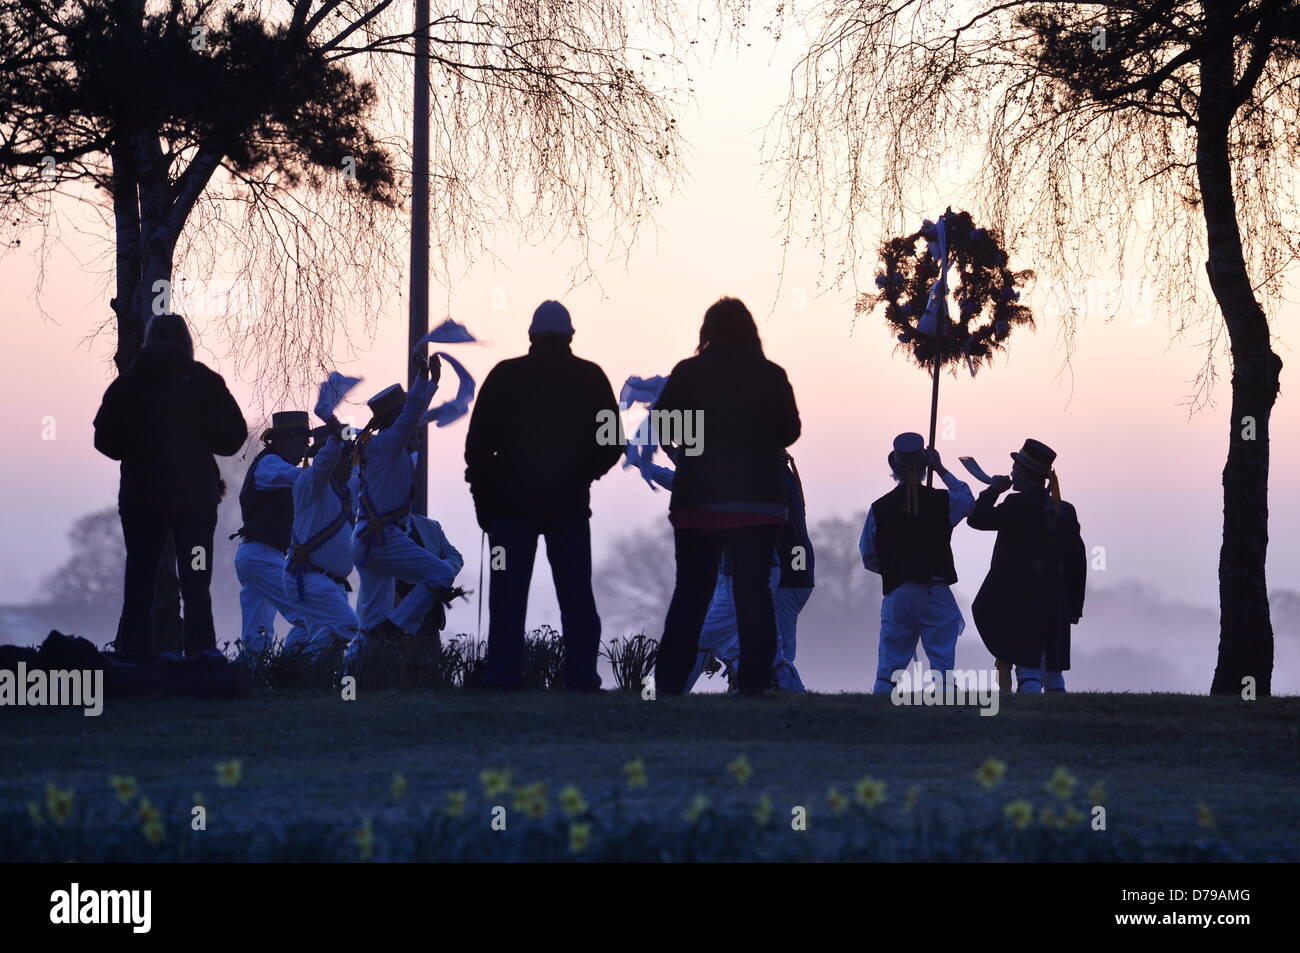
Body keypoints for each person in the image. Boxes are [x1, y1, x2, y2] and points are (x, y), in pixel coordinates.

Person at [464, 300, 622, 691]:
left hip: (508, 513)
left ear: (531, 335)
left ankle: (502, 676)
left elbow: (478, 450)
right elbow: (612, 442)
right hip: (568, 509)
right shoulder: (589, 377)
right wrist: (582, 474)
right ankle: (581, 678)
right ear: (570, 335)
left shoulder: (504, 376)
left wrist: (485, 505)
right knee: (576, 597)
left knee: (507, 596)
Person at [652, 296, 801, 696]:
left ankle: (669, 684)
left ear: (707, 332)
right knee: (753, 595)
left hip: (699, 501)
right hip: (759, 503)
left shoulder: (688, 373)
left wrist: (695, 442)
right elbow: (790, 430)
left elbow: (662, 421)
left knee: (690, 595)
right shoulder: (771, 375)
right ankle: (755, 683)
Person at [93, 313, 247, 657]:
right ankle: (201, 654)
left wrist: (138, 447)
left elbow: (105, 440)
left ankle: (133, 657)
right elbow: (234, 437)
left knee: (140, 578)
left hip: (141, 498)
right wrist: (199, 439)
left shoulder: (129, 383)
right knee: (196, 580)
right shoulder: (204, 381)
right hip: (195, 500)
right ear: (186, 341)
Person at [350, 357, 461, 648]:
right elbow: (411, 415)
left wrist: (431, 384)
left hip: (368, 539)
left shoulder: (383, 448)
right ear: (395, 421)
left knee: (369, 624)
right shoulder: (387, 444)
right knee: (441, 572)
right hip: (382, 538)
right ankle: (398, 627)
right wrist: (423, 379)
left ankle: (355, 675)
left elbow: (413, 415)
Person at [968, 439, 1087, 693]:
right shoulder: (1066, 511)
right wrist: (1074, 605)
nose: (1011, 473)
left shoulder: (1016, 504)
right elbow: (1078, 561)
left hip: (1022, 600)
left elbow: (976, 518)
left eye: (1015, 468)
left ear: (1024, 473)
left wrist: (994, 490)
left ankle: (1029, 717)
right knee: (1053, 670)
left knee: (1027, 667)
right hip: (1056, 601)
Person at [859, 433, 974, 694]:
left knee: (888, 668)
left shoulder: (880, 508)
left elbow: (868, 555)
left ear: (894, 468)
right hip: (936, 592)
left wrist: (894, 571)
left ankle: (877, 712)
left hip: (898, 593)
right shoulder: (944, 502)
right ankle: (946, 712)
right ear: (925, 467)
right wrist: (942, 469)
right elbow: (968, 501)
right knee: (943, 667)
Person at [232, 411, 311, 654]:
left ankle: (253, 678)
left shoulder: (272, 463)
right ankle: (294, 670)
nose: (304, 452)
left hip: (257, 556)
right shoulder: (270, 463)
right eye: (302, 444)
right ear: (285, 440)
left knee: (258, 629)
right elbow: (305, 480)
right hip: (263, 556)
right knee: (312, 613)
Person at [284, 421, 359, 658]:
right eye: (343, 455)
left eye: (350, 455)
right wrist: (337, 439)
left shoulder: (346, 490)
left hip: (331, 583)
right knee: (345, 626)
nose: (348, 460)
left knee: (309, 636)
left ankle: (289, 676)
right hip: (309, 577)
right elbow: (325, 462)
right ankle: (306, 673)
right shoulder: (310, 483)